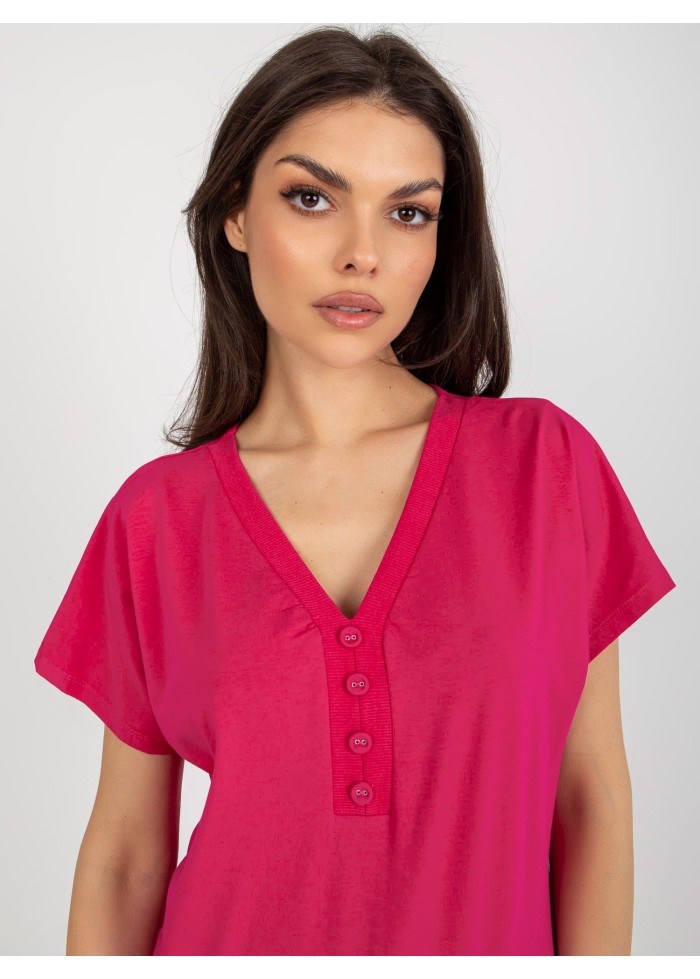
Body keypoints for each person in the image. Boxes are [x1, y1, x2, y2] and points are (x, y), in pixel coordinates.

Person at [34, 25, 676, 956]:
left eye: (408, 212)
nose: (361, 254)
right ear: (236, 214)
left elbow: (594, 803)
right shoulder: (157, 520)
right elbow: (125, 857)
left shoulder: (546, 468)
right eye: (312, 198)